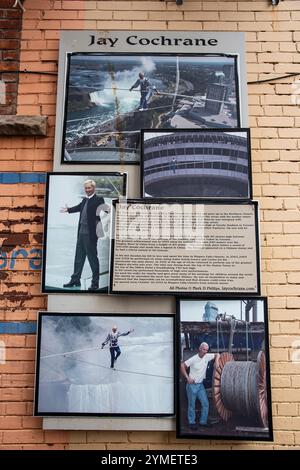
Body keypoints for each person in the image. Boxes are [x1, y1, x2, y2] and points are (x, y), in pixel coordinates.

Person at [60, 179, 110, 291]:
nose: (87, 190)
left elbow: (107, 210)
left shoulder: (98, 199)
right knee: (79, 258)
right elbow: (78, 208)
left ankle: (95, 283)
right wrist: (68, 210)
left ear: (93, 188)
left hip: (91, 234)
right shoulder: (84, 200)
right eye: (86, 188)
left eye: (89, 188)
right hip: (81, 233)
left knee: (92, 259)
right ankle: (75, 280)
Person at [180, 342, 217, 430]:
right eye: (204, 349)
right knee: (191, 405)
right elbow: (182, 365)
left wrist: (217, 363)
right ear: (200, 349)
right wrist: (187, 377)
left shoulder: (207, 357)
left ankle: (202, 422)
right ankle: (191, 423)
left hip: (200, 385)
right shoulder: (194, 359)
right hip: (192, 385)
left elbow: (217, 354)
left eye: (206, 350)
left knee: (205, 403)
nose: (205, 352)